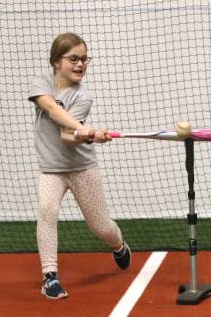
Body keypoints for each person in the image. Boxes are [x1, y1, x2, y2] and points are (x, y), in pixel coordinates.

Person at [28, 33, 132, 300]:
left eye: (84, 59)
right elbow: (51, 110)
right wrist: (87, 130)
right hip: (51, 168)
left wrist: (86, 135)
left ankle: (118, 244)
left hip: (82, 167)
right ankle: (49, 277)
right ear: (55, 62)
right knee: (46, 210)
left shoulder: (83, 96)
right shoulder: (42, 83)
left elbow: (66, 137)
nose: (80, 64)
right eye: (73, 59)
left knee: (100, 226)